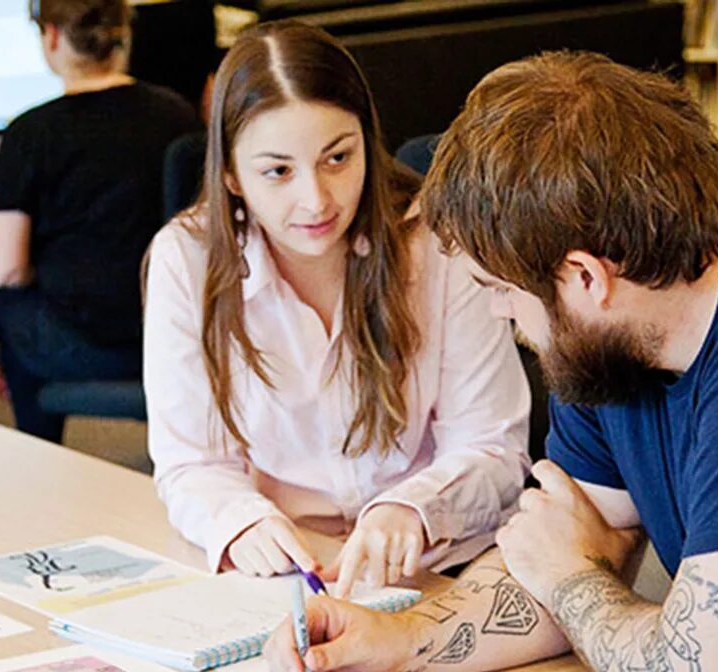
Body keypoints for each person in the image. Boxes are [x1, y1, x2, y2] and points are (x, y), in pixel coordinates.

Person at [265, 51, 718, 672]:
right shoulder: (610, 336)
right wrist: (405, 637)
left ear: (583, 277)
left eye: (503, 293)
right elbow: (560, 538)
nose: (509, 320)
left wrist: (571, 575)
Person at [143, 21, 530, 595]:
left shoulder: (436, 241)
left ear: (366, 141)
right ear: (230, 176)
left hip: (440, 559)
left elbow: (493, 445)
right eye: (278, 171)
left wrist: (409, 509)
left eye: (338, 158)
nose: (317, 200)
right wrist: (242, 522)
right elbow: (191, 462)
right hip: (291, 562)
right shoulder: (189, 258)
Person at [0, 0, 198, 444]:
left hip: (84, 345)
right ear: (125, 34)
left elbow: (7, 268)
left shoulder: (31, 133)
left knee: (0, 287)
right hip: (174, 335)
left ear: (53, 37)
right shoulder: (176, 113)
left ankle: (37, 444)